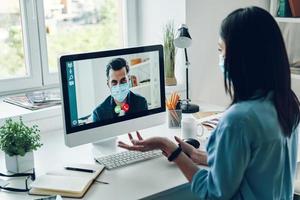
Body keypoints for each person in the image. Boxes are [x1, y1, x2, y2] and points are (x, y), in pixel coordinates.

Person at [118, 7, 300, 199]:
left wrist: (169, 148)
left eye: (221, 50)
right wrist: (197, 156)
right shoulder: (288, 102)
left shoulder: (239, 120)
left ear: (241, 58)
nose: (220, 58)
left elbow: (213, 194)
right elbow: (255, 167)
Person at [92, 58, 148, 122]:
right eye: (114, 82)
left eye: (123, 81)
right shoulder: (99, 114)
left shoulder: (141, 103)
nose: (119, 86)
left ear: (129, 80)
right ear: (108, 84)